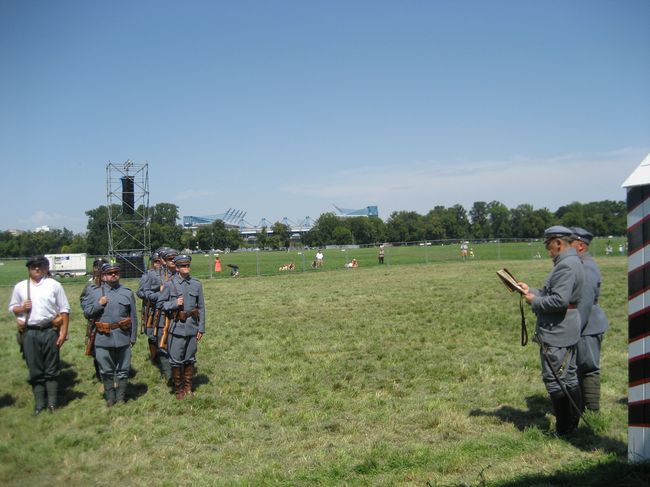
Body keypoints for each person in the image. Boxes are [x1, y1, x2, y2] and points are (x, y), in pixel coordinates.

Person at [517, 226, 584, 435]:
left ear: (558, 242)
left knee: (554, 379)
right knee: (569, 375)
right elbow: (554, 293)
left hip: (557, 330)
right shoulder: (571, 262)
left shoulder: (565, 266)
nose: (548, 250)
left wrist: (534, 302)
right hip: (567, 327)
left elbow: (559, 301)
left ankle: (565, 427)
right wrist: (531, 291)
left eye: (548, 245)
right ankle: (575, 419)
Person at [9, 256, 71, 415]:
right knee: (35, 369)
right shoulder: (21, 287)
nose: (36, 268)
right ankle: (39, 404)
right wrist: (22, 308)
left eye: (40, 265)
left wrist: (63, 332)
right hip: (30, 332)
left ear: (45, 267)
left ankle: (52, 403)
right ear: (28, 268)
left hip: (50, 330)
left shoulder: (54, 285)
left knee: (51, 368)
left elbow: (64, 309)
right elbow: (13, 308)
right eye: (33, 266)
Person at [82, 263, 138, 407]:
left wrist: (133, 337)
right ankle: (110, 398)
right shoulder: (94, 292)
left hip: (122, 336)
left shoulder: (127, 292)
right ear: (103, 276)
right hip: (103, 337)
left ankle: (120, 398)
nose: (113, 275)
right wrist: (99, 304)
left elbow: (133, 317)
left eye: (116, 272)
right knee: (106, 371)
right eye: (109, 273)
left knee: (123, 370)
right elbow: (87, 313)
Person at [570, 227, 609, 412]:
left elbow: (583, 304)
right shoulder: (580, 264)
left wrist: (572, 329)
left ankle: (591, 411)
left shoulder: (584, 268)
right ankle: (581, 408)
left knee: (587, 367)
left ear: (580, 246)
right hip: (587, 325)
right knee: (581, 367)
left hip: (586, 326)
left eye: (570, 243)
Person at [159, 254, 205, 400]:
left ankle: (188, 388)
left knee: (190, 359)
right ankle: (179, 390)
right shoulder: (169, 284)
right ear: (177, 268)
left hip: (192, 327)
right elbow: (161, 305)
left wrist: (201, 327)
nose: (186, 268)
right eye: (183, 266)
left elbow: (202, 307)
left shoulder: (196, 284)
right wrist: (174, 304)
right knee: (176, 360)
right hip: (176, 327)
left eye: (188, 265)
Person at [80, 258, 107, 382]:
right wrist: (94, 306)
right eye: (96, 267)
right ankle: (100, 375)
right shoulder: (90, 286)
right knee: (96, 351)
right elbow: (84, 301)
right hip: (95, 322)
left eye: (101, 267)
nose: (98, 269)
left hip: (110, 321)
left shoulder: (110, 283)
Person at [137, 250, 164, 366]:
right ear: (153, 262)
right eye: (156, 261)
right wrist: (155, 296)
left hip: (166, 307)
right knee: (153, 336)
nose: (159, 264)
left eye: (160, 261)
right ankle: (155, 359)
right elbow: (140, 292)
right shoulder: (147, 275)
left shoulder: (168, 274)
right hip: (153, 309)